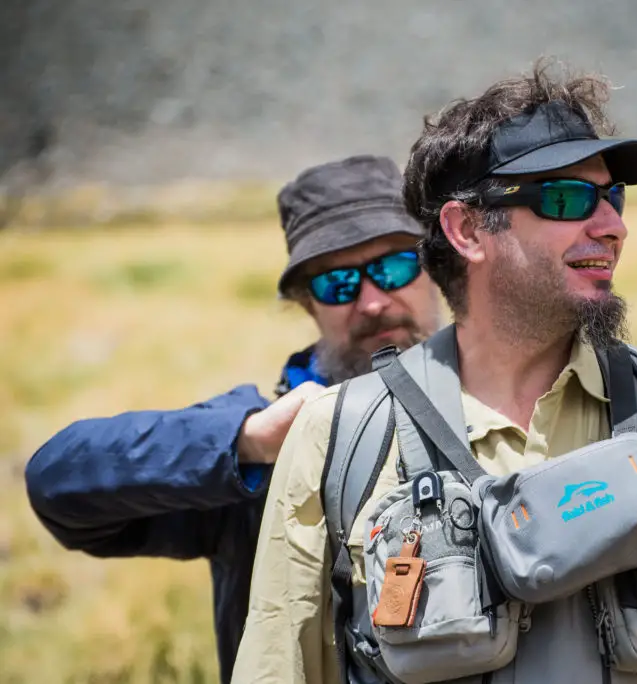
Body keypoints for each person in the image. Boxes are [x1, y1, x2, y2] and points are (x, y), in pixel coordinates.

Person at [235, 63, 637, 684]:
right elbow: (282, 661)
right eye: (566, 197)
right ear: (467, 230)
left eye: (613, 196)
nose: (612, 226)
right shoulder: (339, 437)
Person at [23, 155, 443, 684]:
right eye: (336, 283)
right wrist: (248, 443)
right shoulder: (257, 447)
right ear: (305, 305)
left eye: (396, 265)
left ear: (437, 267)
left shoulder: (518, 408)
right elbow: (58, 483)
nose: (372, 300)